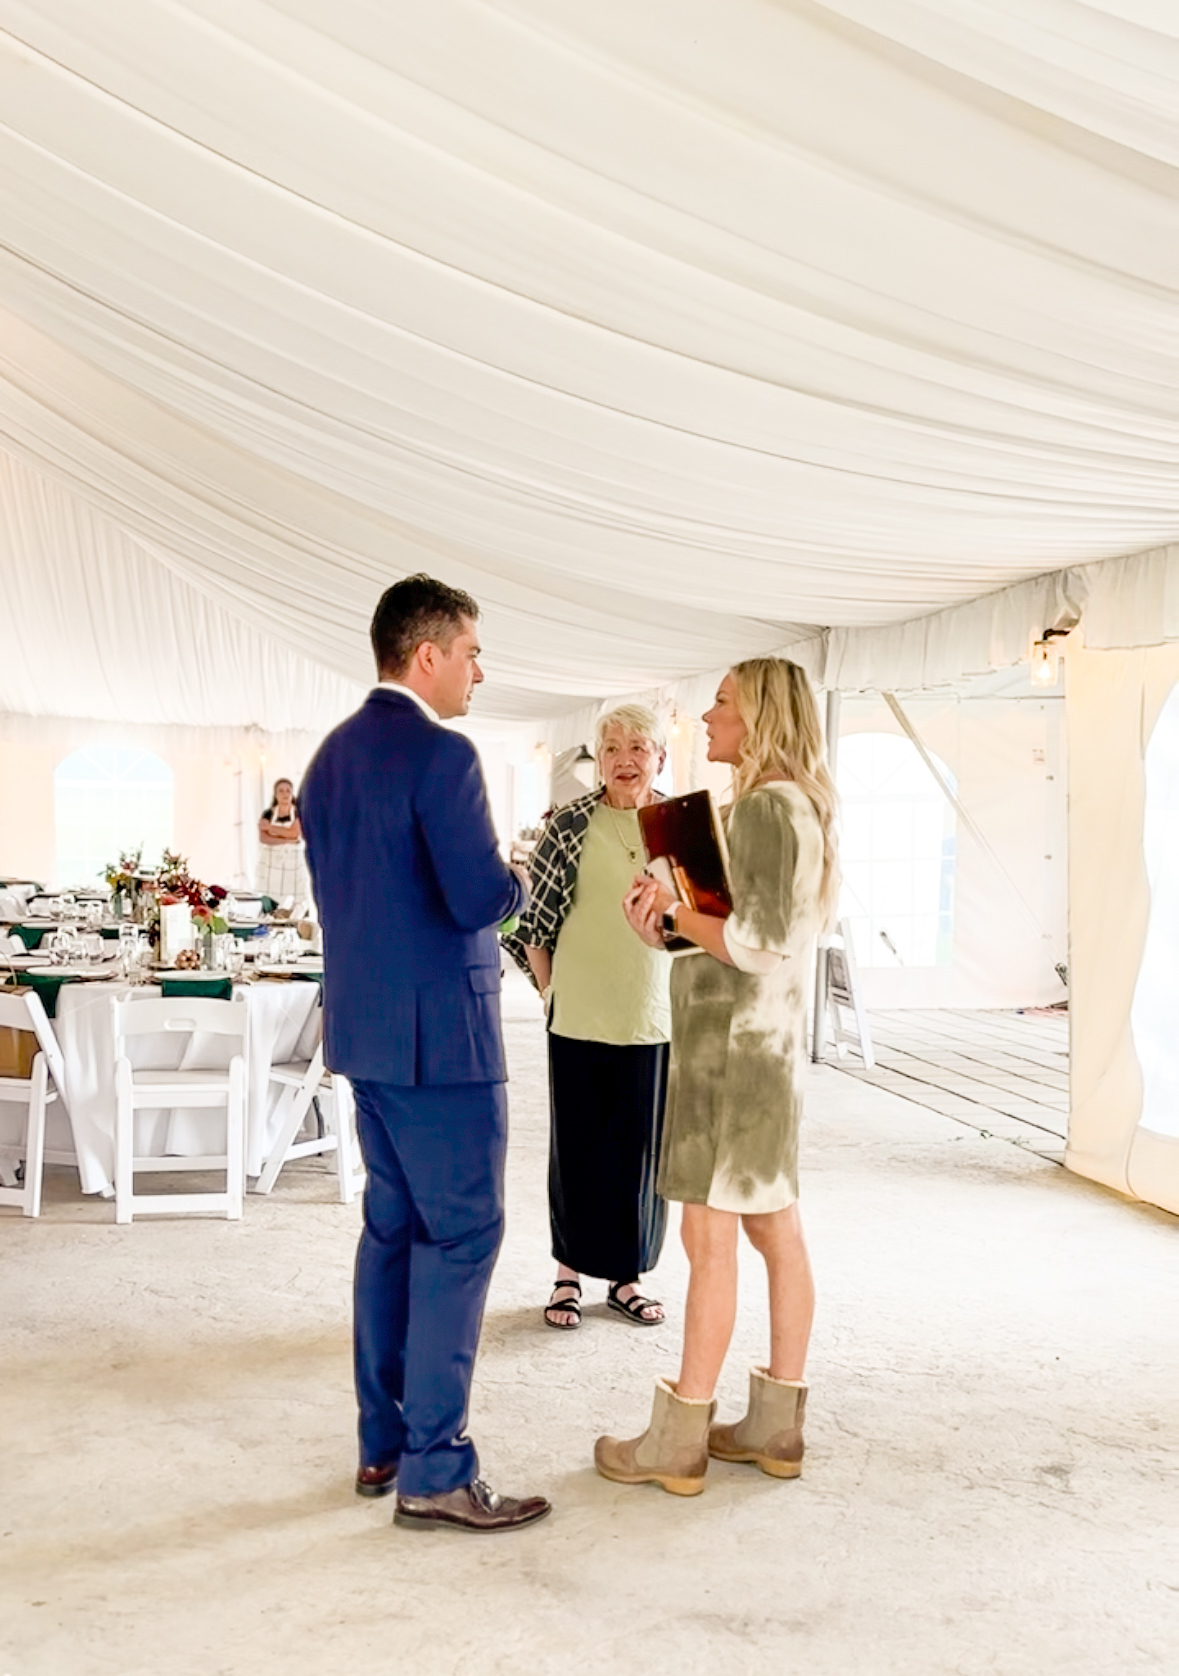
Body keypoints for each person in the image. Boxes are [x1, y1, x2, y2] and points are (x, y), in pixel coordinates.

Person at [300, 573, 550, 1535]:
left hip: (364, 1034)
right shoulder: (442, 755)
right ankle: (436, 1467)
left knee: (392, 1234)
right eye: (473, 652)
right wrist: (517, 878)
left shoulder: (327, 760)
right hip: (444, 1041)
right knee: (463, 1238)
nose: (480, 673)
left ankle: (381, 1441)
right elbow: (471, 895)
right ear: (427, 653)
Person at [594, 657, 839, 1497]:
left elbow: (758, 945)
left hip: (727, 1058)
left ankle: (679, 1437)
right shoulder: (784, 807)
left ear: (761, 715)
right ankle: (776, 1427)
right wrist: (659, 924)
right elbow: (727, 934)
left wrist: (670, 913)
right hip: (758, 1052)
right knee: (775, 1230)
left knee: (709, 1242)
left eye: (724, 702)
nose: (707, 715)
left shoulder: (768, 810)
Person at [504, 705, 671, 1333]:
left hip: (655, 1015)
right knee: (576, 1151)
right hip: (577, 1014)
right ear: (597, 760)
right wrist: (550, 995)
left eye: (638, 746)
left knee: (642, 1157)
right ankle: (567, 1273)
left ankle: (625, 1279)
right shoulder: (571, 822)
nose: (624, 758)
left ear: (659, 756)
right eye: (611, 748)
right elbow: (532, 925)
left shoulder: (675, 824)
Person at [256, 778, 308, 904]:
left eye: (288, 791)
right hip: (271, 864)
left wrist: (271, 828)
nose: (285, 794)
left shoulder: (297, 812)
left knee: (295, 901)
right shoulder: (268, 813)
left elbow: (295, 833)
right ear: (275, 794)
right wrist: (288, 839)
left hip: (293, 865)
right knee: (269, 899)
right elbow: (264, 838)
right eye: (281, 791)